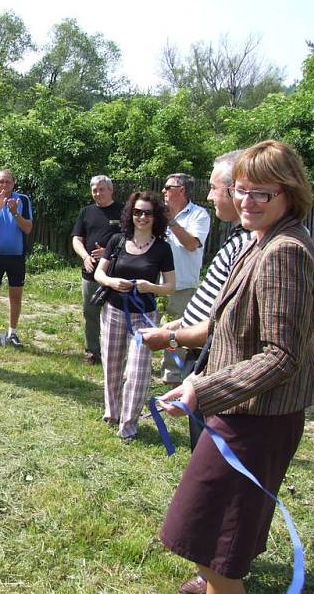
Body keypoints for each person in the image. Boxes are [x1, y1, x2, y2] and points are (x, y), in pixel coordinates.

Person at [158, 140, 314, 594]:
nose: (246, 201)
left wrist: (203, 391)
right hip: (241, 410)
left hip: (257, 421)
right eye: (242, 190)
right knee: (210, 538)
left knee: (214, 542)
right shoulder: (260, 240)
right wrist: (198, 376)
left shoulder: (283, 252)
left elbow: (281, 356)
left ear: (289, 193)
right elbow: (229, 328)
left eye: (261, 193)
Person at [141, 151, 253, 452]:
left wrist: (172, 335)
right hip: (193, 335)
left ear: (236, 191)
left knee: (211, 452)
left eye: (214, 188)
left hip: (215, 354)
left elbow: (228, 323)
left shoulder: (242, 237)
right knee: (201, 445)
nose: (210, 195)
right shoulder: (243, 236)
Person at [93, 191, 175, 442]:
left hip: (144, 317)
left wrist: (150, 287)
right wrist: (113, 282)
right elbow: (99, 274)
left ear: (155, 217)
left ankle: (128, 425)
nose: (142, 217)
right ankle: (112, 412)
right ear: (131, 214)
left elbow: (170, 286)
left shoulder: (162, 248)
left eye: (147, 213)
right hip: (114, 312)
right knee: (113, 366)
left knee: (139, 372)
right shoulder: (117, 240)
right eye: (137, 212)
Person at [161, 173, 211, 384]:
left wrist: (171, 221)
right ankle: (139, 366)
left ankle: (172, 373)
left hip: (182, 283)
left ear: (181, 191)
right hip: (155, 282)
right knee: (145, 325)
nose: (163, 191)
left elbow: (191, 244)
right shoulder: (156, 213)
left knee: (176, 332)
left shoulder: (199, 215)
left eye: (168, 187)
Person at [71, 176, 123, 364]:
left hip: (116, 273)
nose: (98, 193)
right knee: (90, 313)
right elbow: (76, 239)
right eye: (94, 190)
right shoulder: (86, 212)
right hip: (90, 272)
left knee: (115, 316)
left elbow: (132, 239)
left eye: (101, 189)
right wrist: (85, 256)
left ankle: (114, 354)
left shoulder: (123, 211)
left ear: (111, 190)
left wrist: (109, 252)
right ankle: (92, 351)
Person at [0, 169, 33, 349]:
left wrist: (14, 212)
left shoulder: (23, 200)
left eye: (8, 182)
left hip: (16, 256)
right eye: (1, 181)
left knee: (16, 296)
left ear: (14, 183)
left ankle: (12, 332)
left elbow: (28, 228)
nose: (4, 185)